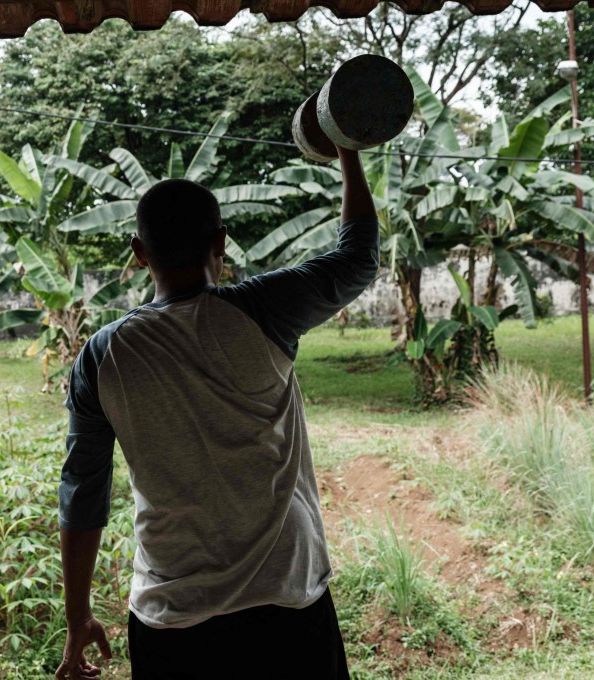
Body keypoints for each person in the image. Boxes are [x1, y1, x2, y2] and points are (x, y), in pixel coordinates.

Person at [55, 145, 379, 680]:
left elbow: (82, 491)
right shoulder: (265, 308)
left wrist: (77, 615)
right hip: (286, 599)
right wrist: (346, 148)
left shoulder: (102, 354)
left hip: (172, 619)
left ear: (139, 252)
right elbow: (358, 255)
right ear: (221, 242)